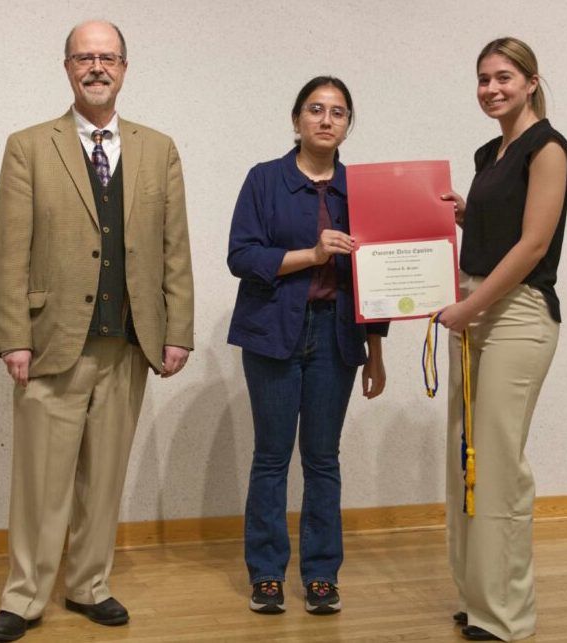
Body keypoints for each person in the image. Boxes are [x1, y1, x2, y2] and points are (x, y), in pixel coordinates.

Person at [0, 20, 194, 641]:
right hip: (52, 339)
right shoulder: (28, 146)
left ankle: (89, 584)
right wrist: (13, 335)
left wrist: (176, 328)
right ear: (68, 67)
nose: (97, 67)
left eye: (108, 57)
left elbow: (174, 248)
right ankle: (24, 597)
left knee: (104, 480)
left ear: (125, 68)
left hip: (129, 340)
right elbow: (9, 252)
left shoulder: (159, 148)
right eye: (85, 57)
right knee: (40, 482)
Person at [227, 76, 388, 616]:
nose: (326, 119)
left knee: (323, 459)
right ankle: (267, 574)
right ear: (296, 120)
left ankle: (321, 575)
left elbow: (378, 278)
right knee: (271, 458)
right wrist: (310, 255)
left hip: (337, 336)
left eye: (338, 112)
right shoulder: (264, 179)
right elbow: (241, 256)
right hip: (273, 334)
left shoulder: (361, 189)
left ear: (347, 125)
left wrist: (376, 353)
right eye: (315, 110)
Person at [438, 38, 567, 641]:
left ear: (530, 81)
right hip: (476, 311)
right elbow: (505, 226)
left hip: (514, 315)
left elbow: (534, 245)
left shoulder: (548, 148)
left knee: (497, 465)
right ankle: (478, 597)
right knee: (463, 458)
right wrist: (467, 214)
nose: (491, 88)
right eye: (482, 79)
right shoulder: (490, 151)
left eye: (503, 77)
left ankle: (506, 616)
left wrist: (469, 305)